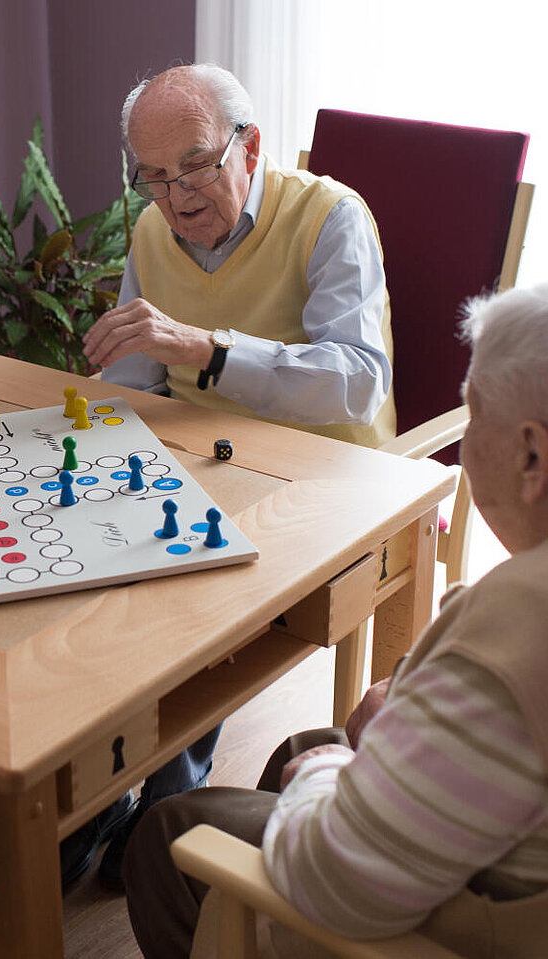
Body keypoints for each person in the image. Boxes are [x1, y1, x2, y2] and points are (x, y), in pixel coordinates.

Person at [122, 280, 548, 958]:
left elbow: (331, 880)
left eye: (477, 420)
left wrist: (329, 770)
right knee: (301, 747)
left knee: (172, 832)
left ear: (534, 456)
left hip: (511, 930)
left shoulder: (529, 625)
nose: (466, 444)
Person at [68, 62, 397, 893]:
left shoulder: (332, 218)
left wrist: (208, 351)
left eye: (195, 167)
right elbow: (142, 382)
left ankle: (166, 800)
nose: (173, 198)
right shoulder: (150, 230)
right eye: (151, 177)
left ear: (249, 146)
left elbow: (360, 377)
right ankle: (96, 794)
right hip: (198, 457)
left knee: (187, 587)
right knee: (87, 555)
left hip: (324, 470)